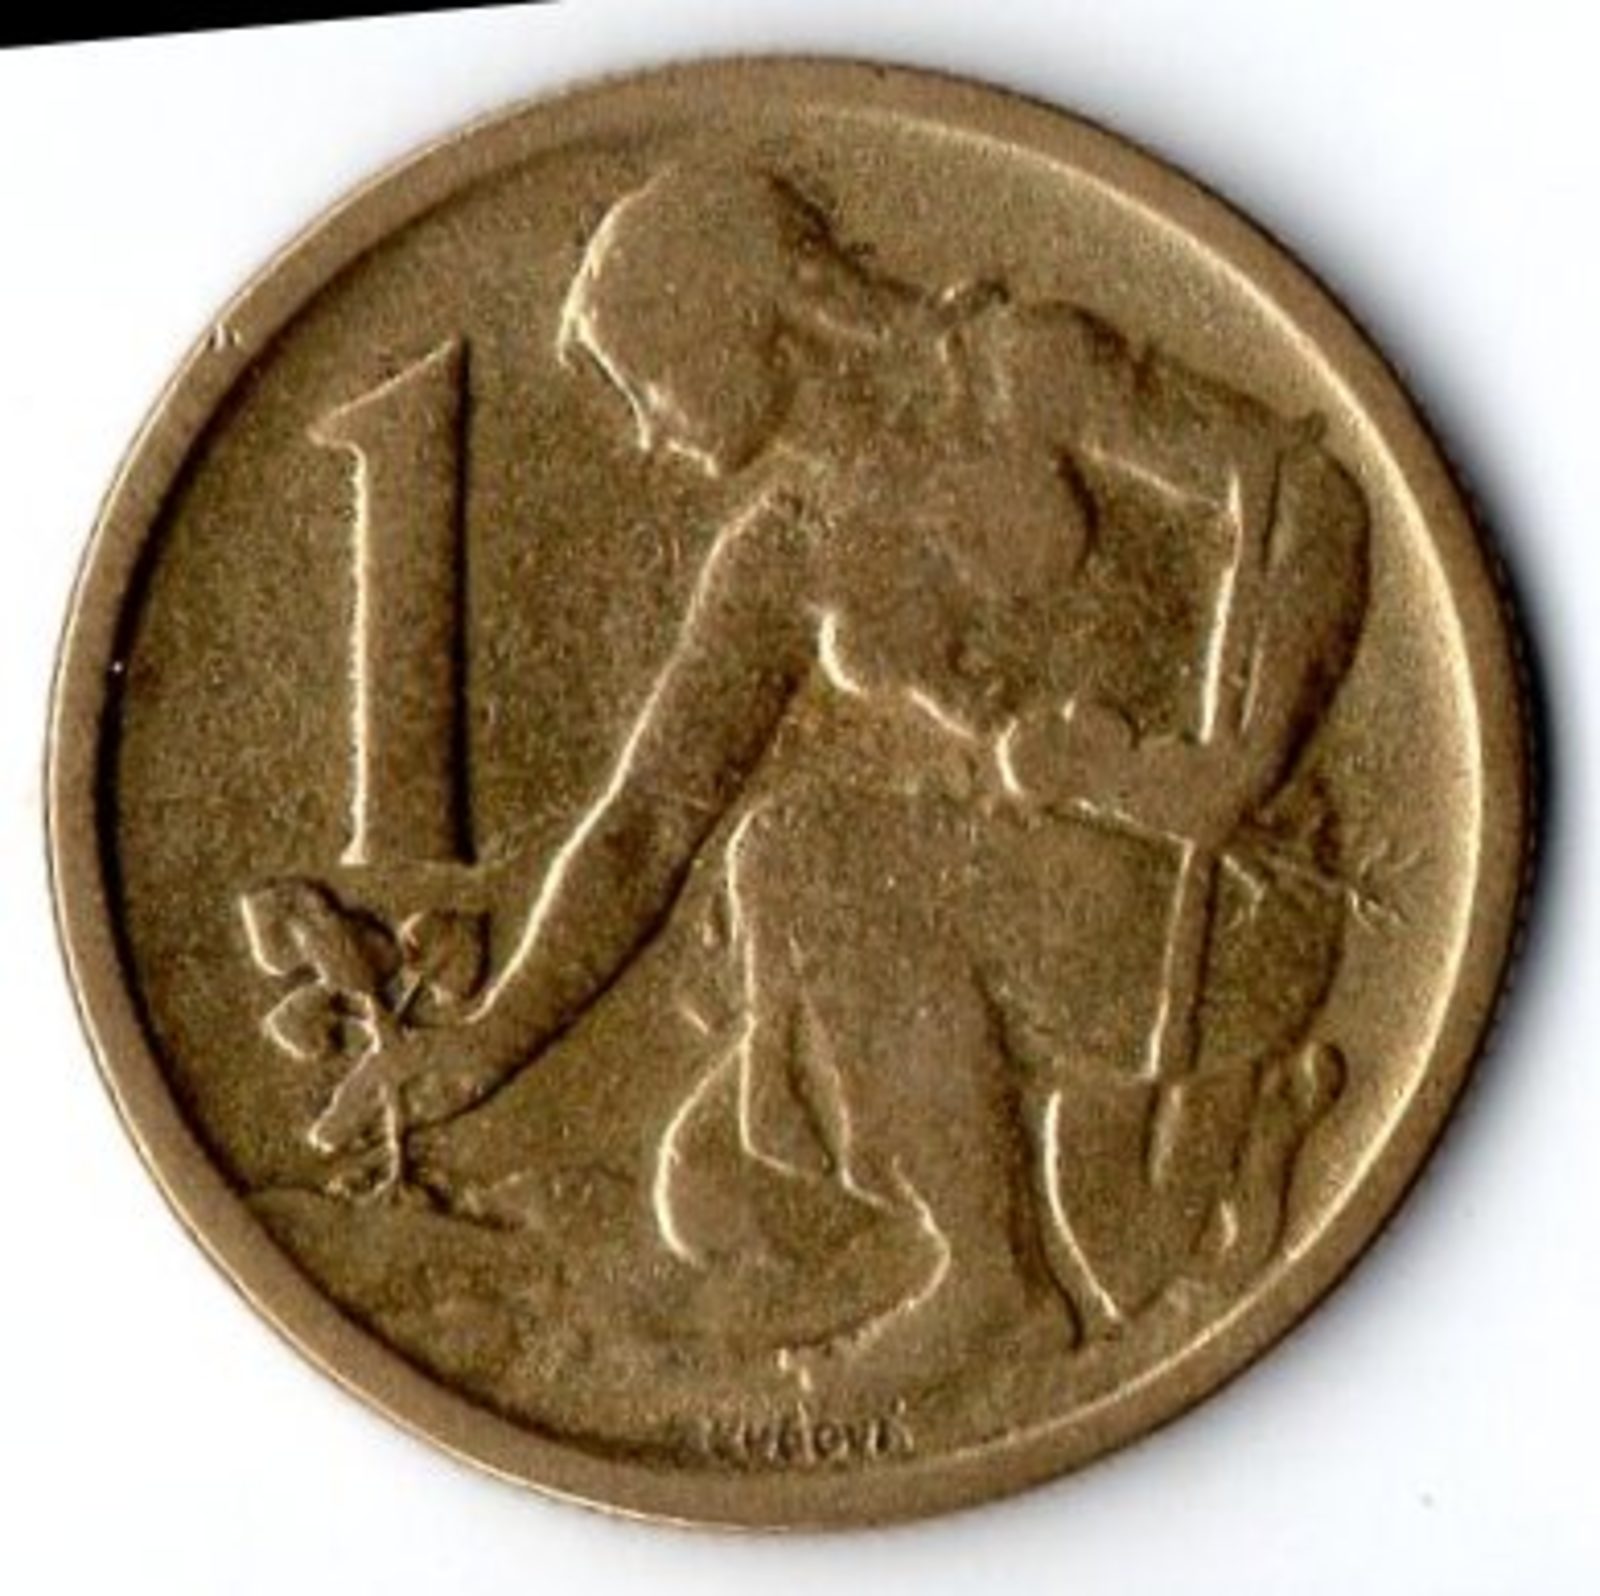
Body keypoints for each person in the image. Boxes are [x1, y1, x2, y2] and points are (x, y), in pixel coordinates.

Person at [312, 165, 1369, 1361]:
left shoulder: (1020, 372)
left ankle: (994, 1283)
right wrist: (483, 1044)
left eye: (646, 377)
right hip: (1048, 938)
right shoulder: (780, 557)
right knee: (714, 1195)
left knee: (804, 853)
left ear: (736, 316)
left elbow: (1299, 492)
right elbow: (647, 825)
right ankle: (1201, 1178)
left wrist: (1241, 762)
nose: (647, 429)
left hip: (1227, 901)